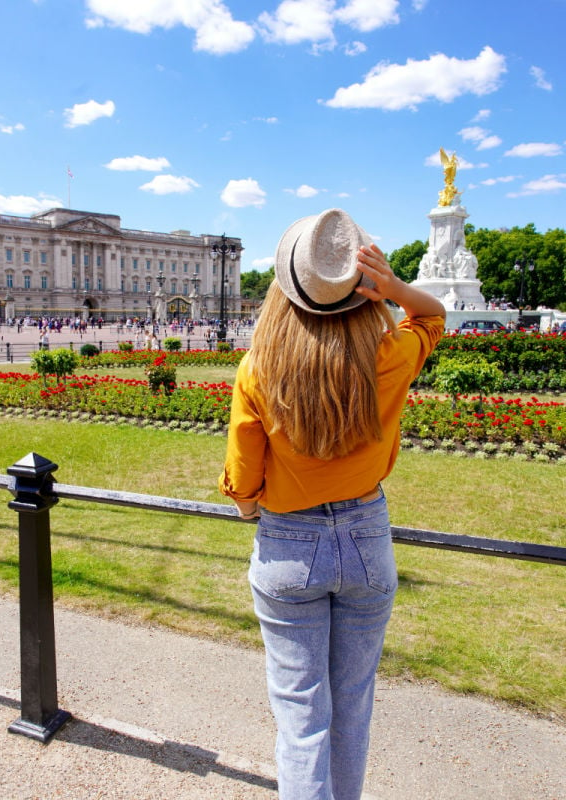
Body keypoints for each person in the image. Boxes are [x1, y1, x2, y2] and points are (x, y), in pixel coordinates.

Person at [219, 209, 445, 800]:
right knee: (352, 707)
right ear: (361, 291)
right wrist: (393, 288)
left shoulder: (259, 368)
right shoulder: (391, 355)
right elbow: (434, 314)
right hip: (367, 536)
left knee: (301, 718)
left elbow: (244, 475)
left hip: (287, 546)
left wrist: (247, 507)